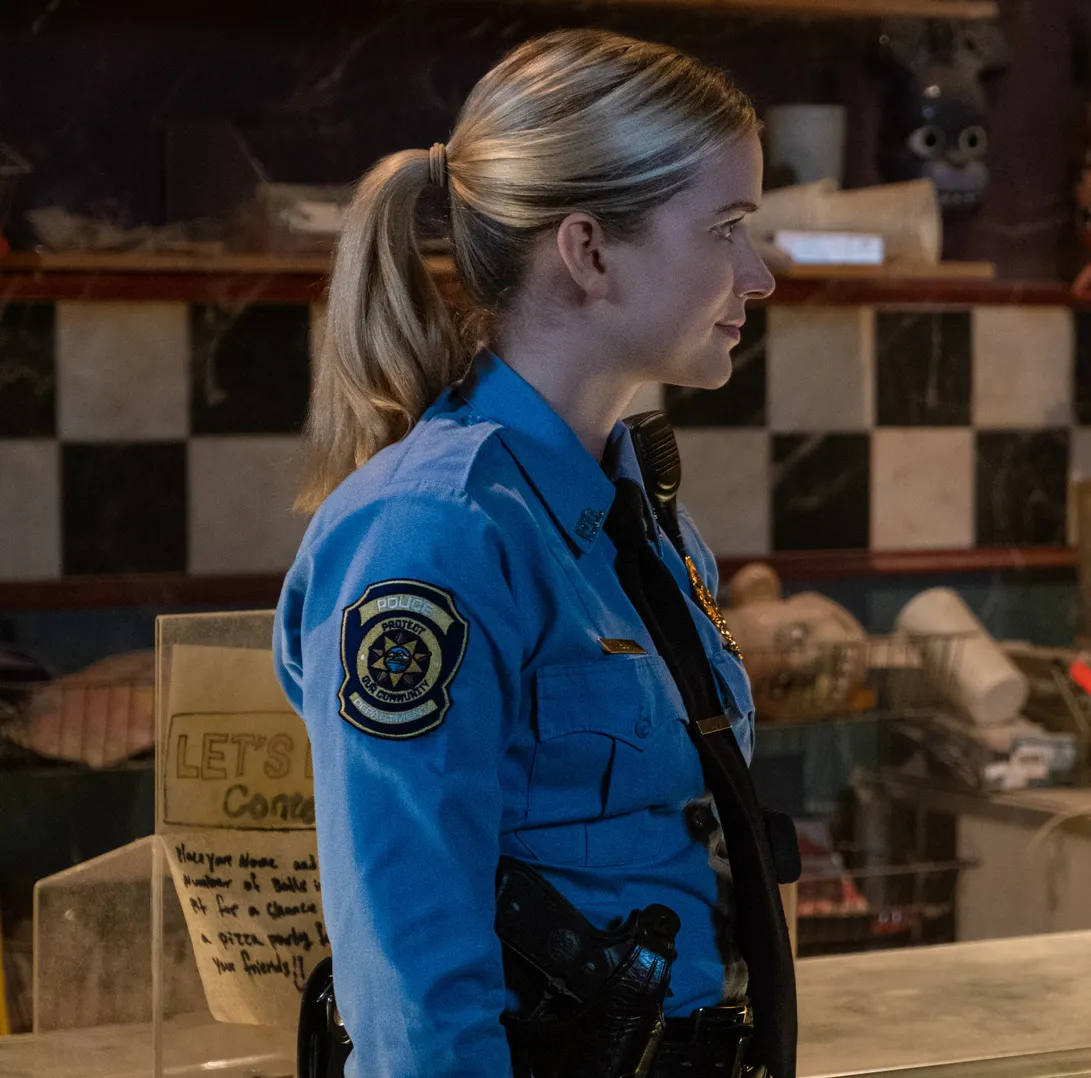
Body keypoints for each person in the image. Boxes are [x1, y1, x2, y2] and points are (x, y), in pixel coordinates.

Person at [272, 29, 792, 1078]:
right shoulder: (432, 532)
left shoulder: (635, 509)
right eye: (726, 229)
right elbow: (412, 980)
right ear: (589, 250)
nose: (760, 274)